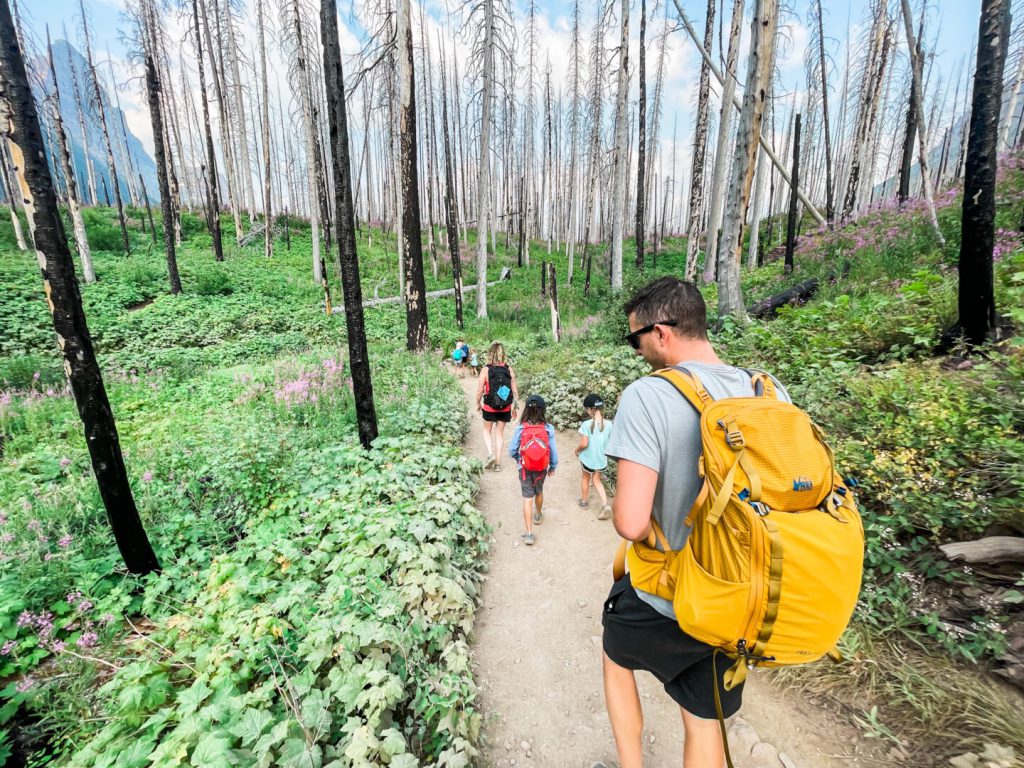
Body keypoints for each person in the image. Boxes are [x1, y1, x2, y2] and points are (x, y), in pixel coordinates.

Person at [601, 276, 789, 768]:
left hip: (668, 595)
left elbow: (630, 520)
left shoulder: (648, 396)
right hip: (740, 597)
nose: (636, 350)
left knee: (616, 658)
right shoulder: (767, 390)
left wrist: (659, 533)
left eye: (634, 338)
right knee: (704, 718)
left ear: (662, 332)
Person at [508, 394, 557, 545]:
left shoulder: (521, 428)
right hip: (541, 467)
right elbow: (553, 451)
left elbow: (512, 449)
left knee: (527, 498)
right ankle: (539, 514)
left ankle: (529, 534)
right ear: (543, 410)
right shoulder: (548, 428)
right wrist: (552, 466)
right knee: (539, 491)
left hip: (524, 468)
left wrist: (519, 459)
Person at [476, 342, 519, 471]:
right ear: (502, 354)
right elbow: (514, 390)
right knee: (499, 433)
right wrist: (515, 406)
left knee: (486, 431)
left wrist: (478, 403)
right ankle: (498, 464)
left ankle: (490, 455)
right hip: (505, 407)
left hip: (489, 406)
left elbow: (479, 390)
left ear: (490, 353)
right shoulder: (508, 369)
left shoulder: (486, 369)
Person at [574, 393, 613, 520]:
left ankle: (584, 502)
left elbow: (584, 444)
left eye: (587, 409)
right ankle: (605, 504)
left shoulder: (586, 425)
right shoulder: (609, 424)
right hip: (601, 459)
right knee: (597, 480)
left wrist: (577, 450)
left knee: (585, 478)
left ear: (591, 409)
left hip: (588, 460)